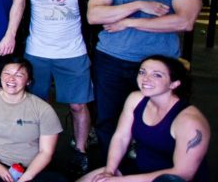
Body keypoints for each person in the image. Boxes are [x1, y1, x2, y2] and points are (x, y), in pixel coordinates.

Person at [87, 0, 201, 156]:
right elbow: (95, 15)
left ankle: (151, 169)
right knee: (108, 119)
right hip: (112, 59)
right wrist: (139, 4)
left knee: (159, 120)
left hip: (159, 62)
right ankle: (112, 170)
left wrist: (128, 21)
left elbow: (185, 21)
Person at [21, 0, 95, 174]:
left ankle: (81, 150)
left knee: (77, 106)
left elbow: (92, 15)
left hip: (73, 52)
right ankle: (38, 150)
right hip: (36, 52)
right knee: (38, 105)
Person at [78, 56, 210, 182]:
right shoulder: (136, 99)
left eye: (157, 75)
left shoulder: (189, 122)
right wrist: (110, 171)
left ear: (174, 84)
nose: (145, 79)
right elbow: (121, 137)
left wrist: (120, 181)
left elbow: (183, 174)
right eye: (142, 72)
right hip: (140, 169)